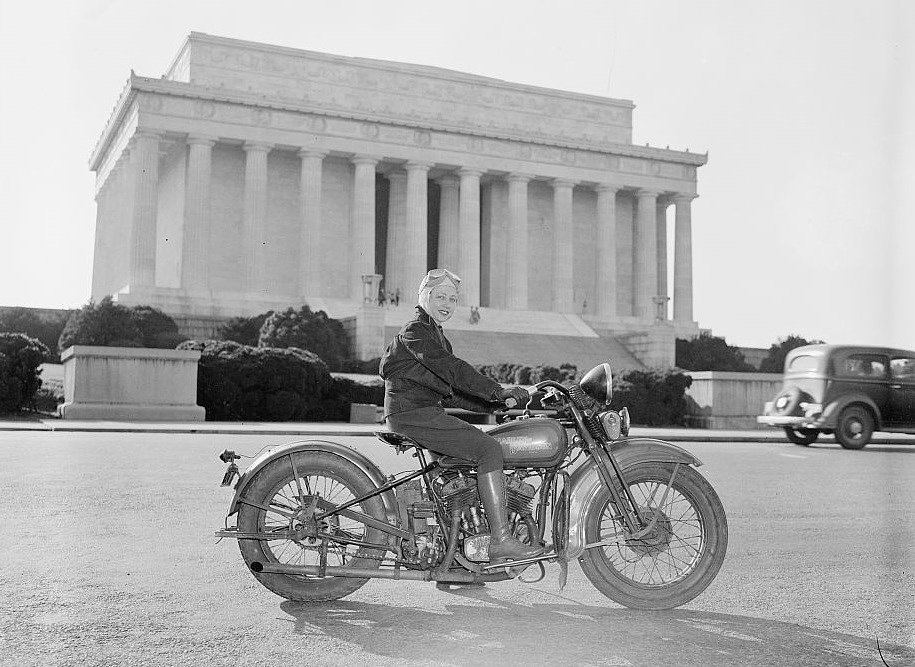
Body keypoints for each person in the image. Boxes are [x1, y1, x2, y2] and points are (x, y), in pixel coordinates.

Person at [379, 268, 544, 562]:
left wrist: (496, 405)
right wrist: (496, 389)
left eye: (453, 299)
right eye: (439, 296)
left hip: (421, 412)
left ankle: (457, 553)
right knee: (488, 450)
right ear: (423, 297)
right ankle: (501, 540)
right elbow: (453, 370)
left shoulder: (435, 335)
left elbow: (452, 392)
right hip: (413, 414)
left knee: (463, 464)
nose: (447, 303)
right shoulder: (416, 330)